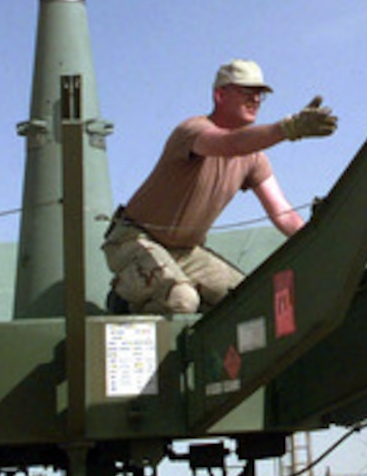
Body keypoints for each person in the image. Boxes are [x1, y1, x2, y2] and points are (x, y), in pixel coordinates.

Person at [103, 59, 337, 314]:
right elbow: (230, 144)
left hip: (185, 252)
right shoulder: (192, 131)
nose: (256, 99)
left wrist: (322, 243)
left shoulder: (255, 159)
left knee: (251, 303)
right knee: (181, 300)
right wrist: (288, 128)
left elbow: (284, 214)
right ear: (220, 94)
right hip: (133, 240)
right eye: (247, 92)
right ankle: (124, 301)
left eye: (260, 95)